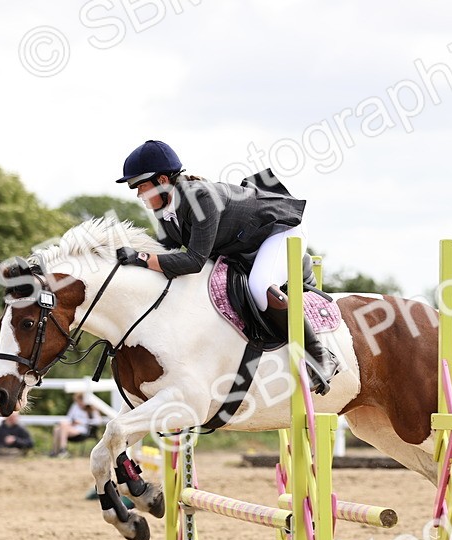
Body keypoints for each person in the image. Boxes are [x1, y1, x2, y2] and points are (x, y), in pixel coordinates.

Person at [113, 140, 338, 394]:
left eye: (141, 186)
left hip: (279, 229)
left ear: (162, 180)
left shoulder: (200, 197)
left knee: (259, 286)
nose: (138, 194)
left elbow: (194, 261)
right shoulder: (167, 210)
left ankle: (320, 355)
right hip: (245, 242)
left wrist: (141, 258)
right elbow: (165, 255)